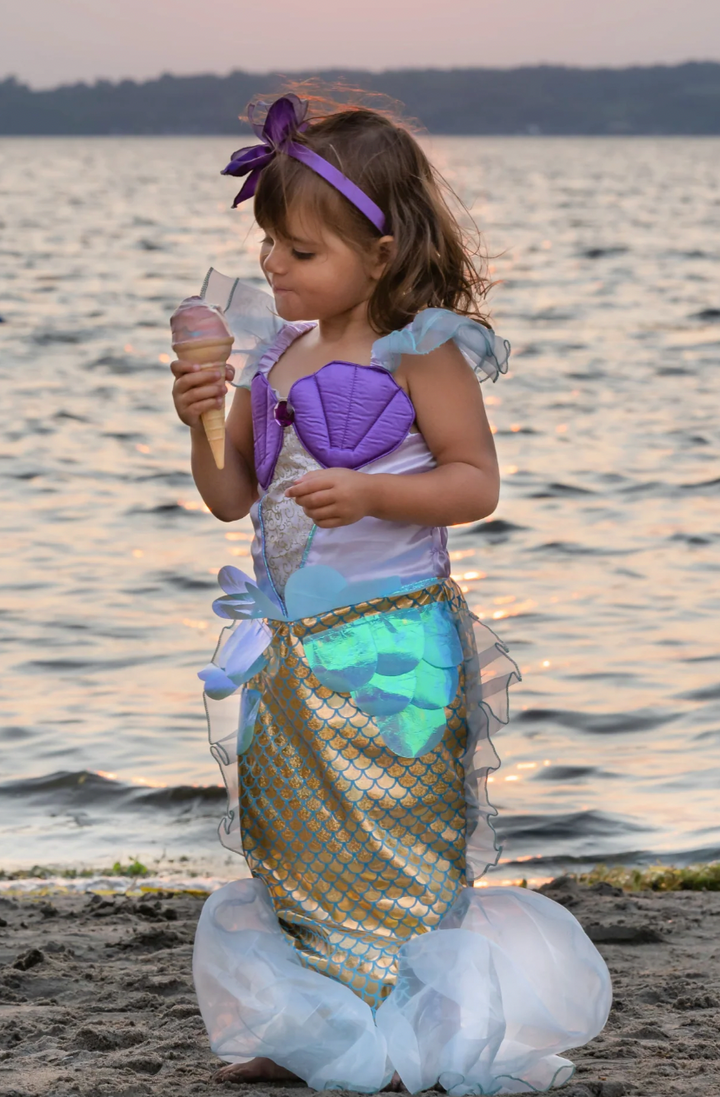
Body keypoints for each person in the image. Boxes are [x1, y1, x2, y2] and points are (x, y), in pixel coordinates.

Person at [171, 93, 612, 1095]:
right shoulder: (275, 356)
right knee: (296, 834)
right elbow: (231, 494)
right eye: (269, 245)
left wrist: (372, 490)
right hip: (291, 656)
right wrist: (200, 422)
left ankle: (414, 1037)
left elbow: (474, 482)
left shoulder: (424, 351)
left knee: (400, 837)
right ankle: (322, 1033)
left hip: (395, 650)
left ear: (379, 254)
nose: (274, 266)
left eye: (300, 250)